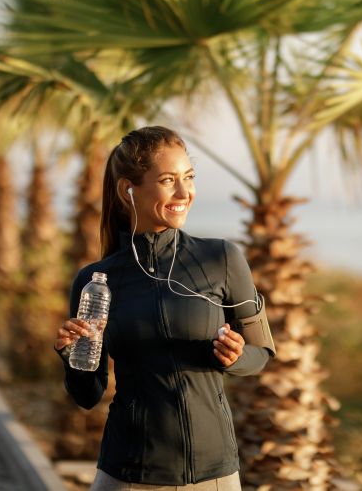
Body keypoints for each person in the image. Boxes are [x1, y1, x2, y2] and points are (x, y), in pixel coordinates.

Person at [53, 126, 275, 491]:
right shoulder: (97, 280)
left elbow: (262, 353)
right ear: (129, 189)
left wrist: (236, 358)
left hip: (213, 476)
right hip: (127, 474)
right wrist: (72, 357)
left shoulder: (223, 258)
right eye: (169, 180)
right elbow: (87, 395)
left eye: (189, 178)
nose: (184, 193)